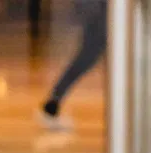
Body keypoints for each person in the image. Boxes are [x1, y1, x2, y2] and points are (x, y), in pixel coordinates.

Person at [40, 0, 107, 132]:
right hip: (99, 10)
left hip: (100, 10)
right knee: (87, 57)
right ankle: (52, 105)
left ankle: (53, 104)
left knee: (87, 58)